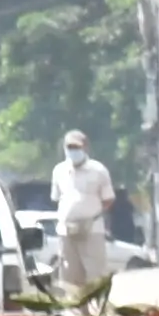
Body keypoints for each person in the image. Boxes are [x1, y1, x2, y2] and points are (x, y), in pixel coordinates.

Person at [49, 127, 117, 300]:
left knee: (95, 273)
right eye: (69, 147)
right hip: (66, 231)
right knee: (70, 276)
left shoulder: (98, 170)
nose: (73, 151)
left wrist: (90, 215)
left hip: (92, 229)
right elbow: (57, 198)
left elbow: (108, 199)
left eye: (76, 147)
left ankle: (98, 313)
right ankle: (78, 315)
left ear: (85, 147)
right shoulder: (59, 171)